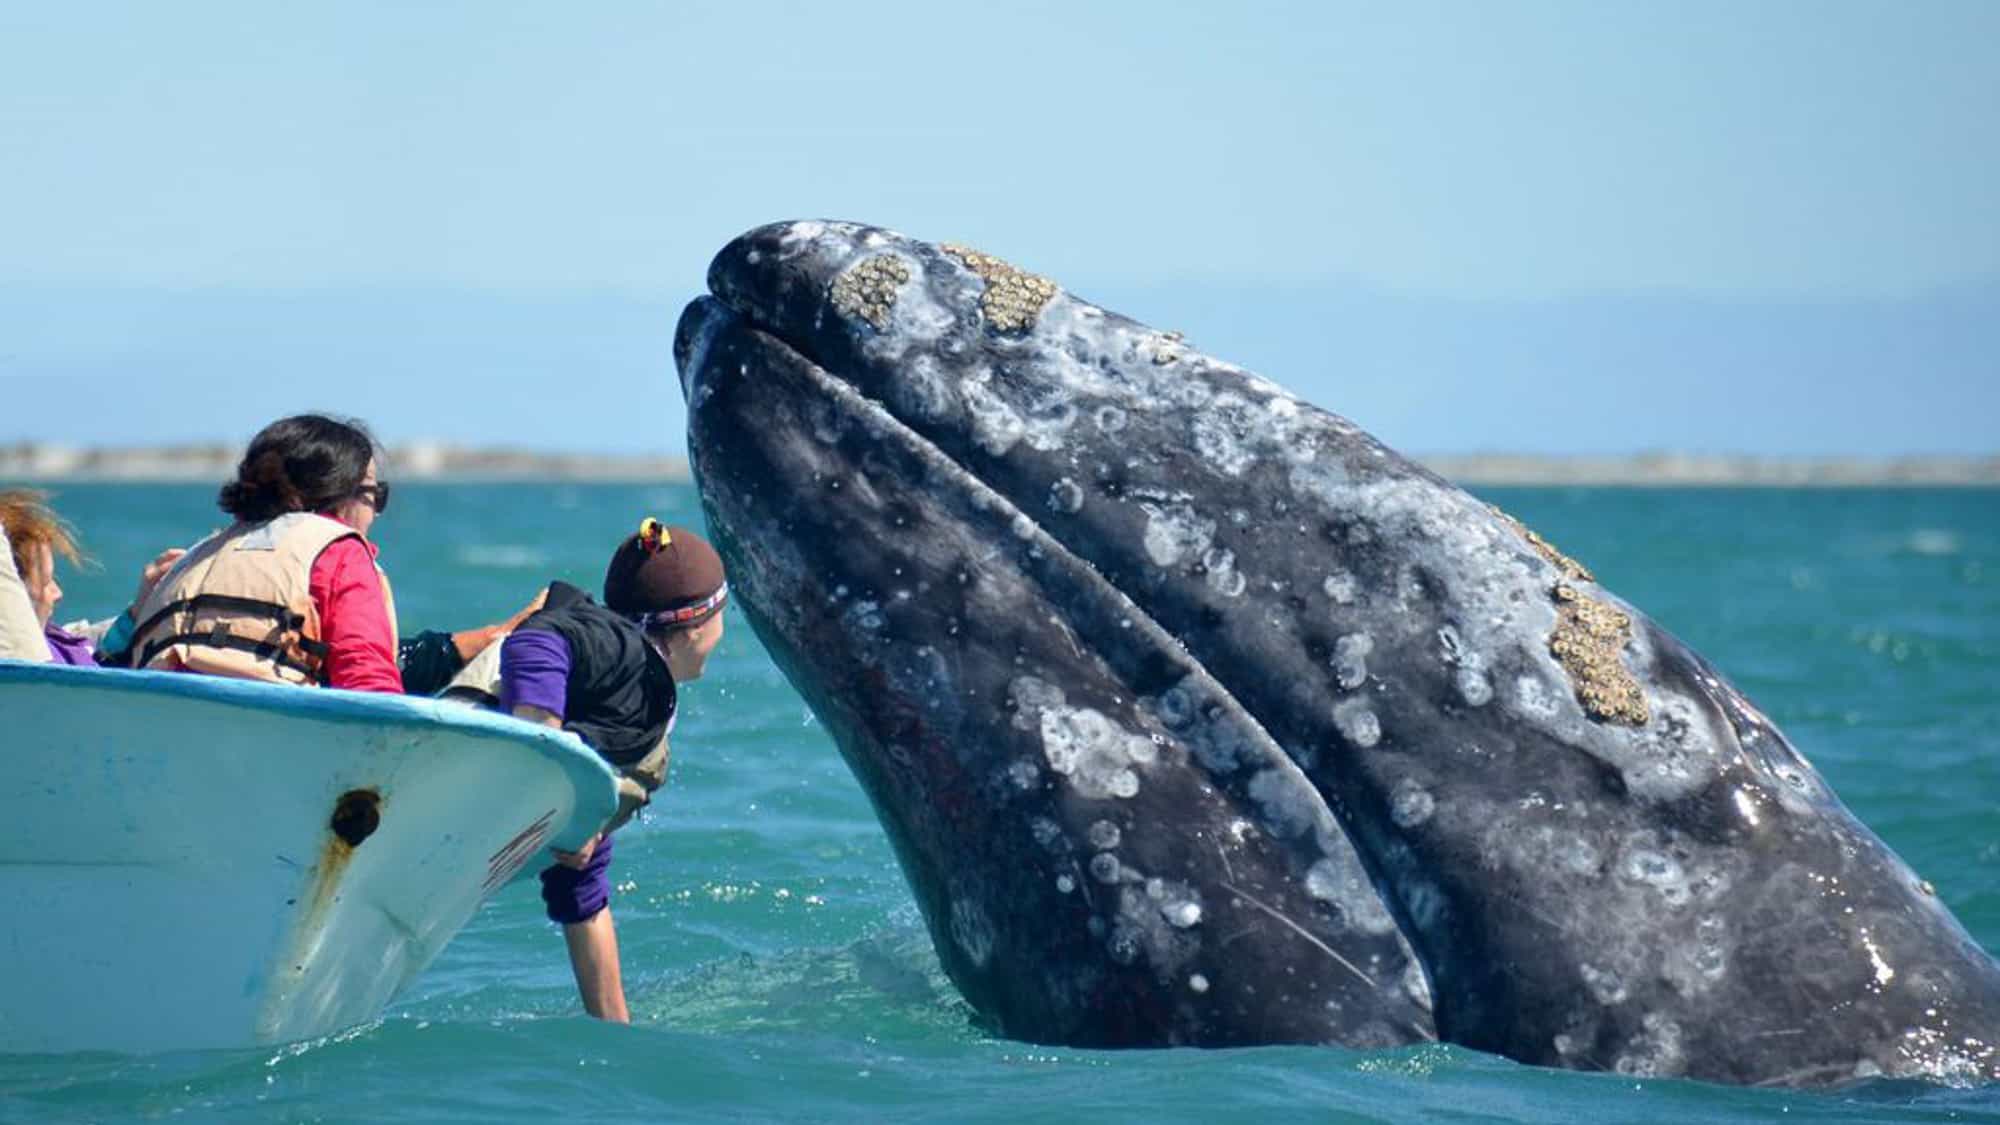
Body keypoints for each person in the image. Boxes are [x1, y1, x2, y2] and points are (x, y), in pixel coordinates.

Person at [496, 517, 727, 1022]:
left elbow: (582, 881)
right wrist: (546, 789)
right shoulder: (624, 648)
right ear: (698, 625)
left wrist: (617, 1037)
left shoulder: (632, 697)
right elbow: (539, 640)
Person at [126, 414, 402, 692]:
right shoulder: (340, 552)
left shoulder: (186, 562)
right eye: (375, 494)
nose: (375, 512)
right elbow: (368, 682)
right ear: (340, 493)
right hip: (276, 728)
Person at [0, 489, 181, 666]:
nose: (58, 593)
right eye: (46, 583)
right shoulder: (23, 656)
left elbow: (102, 651)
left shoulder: (58, 640)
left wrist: (140, 611)